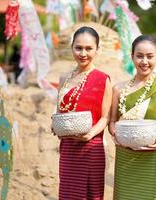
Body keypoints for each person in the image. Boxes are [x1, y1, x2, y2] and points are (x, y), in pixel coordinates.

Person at [109, 35, 156, 200]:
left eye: (150, 56)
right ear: (131, 56)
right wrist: (115, 135)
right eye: (139, 56)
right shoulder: (119, 89)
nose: (144, 61)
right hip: (126, 155)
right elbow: (112, 121)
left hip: (153, 153)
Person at [54, 26, 112, 200]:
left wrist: (90, 134)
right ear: (72, 47)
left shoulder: (103, 79)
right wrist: (55, 124)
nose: (83, 53)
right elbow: (59, 109)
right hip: (68, 147)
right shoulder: (64, 78)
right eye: (78, 48)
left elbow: (105, 117)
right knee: (68, 194)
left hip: (91, 147)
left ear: (97, 49)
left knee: (89, 195)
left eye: (89, 48)